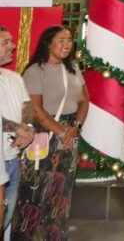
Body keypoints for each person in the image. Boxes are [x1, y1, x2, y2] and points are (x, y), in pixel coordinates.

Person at [15, 26, 89, 241]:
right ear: (48, 43)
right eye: (61, 40)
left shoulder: (73, 68)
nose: (67, 44)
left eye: (69, 40)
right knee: (37, 193)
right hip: (44, 135)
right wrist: (61, 132)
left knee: (61, 193)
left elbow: (84, 100)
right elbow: (36, 110)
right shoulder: (35, 71)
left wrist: (74, 127)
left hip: (69, 131)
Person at [0, 27, 33, 239]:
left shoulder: (13, 77)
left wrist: (27, 127)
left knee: (6, 216)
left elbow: (27, 105)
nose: (12, 45)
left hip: (13, 159)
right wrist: (16, 127)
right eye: (5, 42)